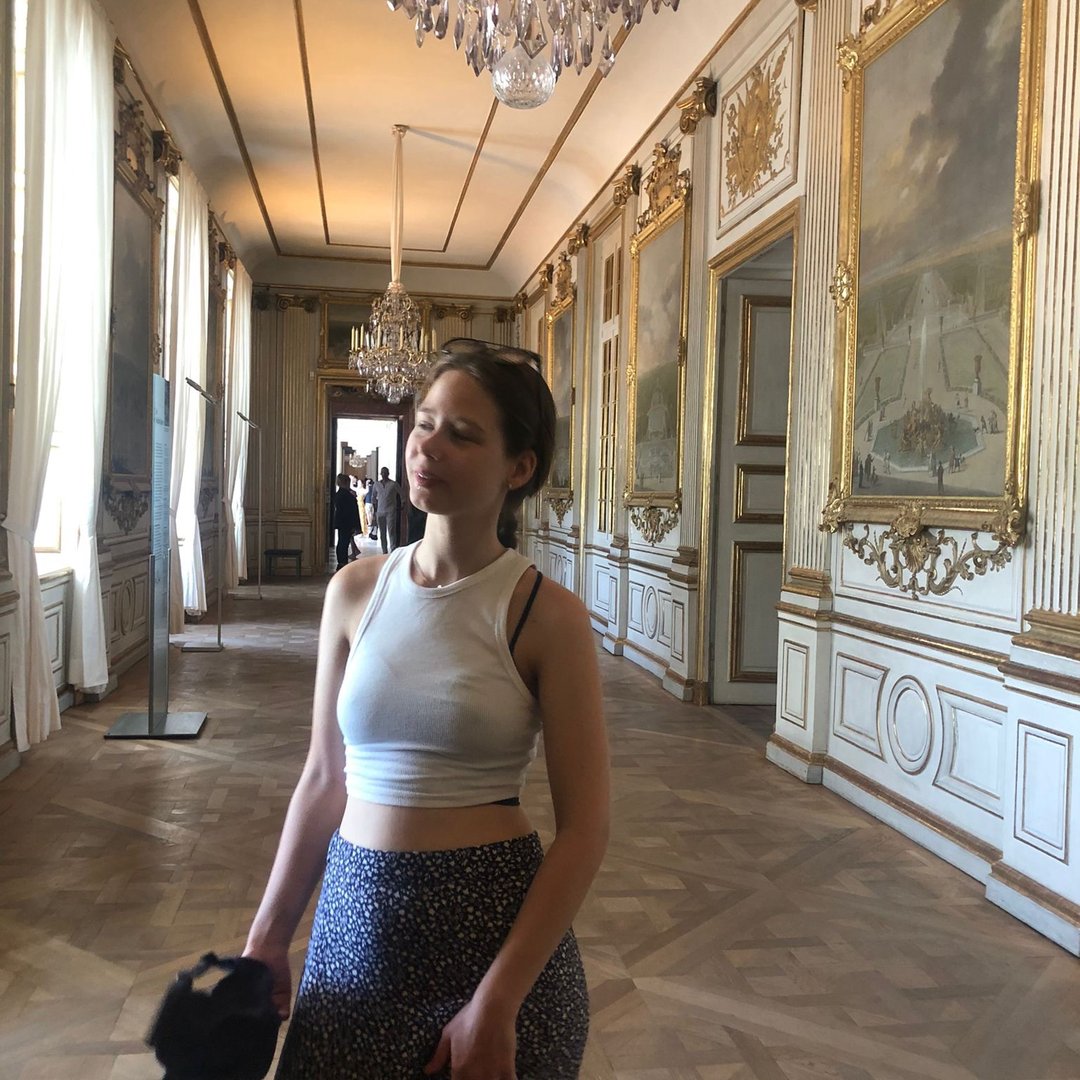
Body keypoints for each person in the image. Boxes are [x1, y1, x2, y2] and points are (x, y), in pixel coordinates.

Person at [243, 338, 609, 1079]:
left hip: (492, 935)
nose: (428, 446)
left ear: (519, 468)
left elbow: (585, 830)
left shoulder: (546, 614)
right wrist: (268, 934)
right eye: (424, 423)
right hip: (355, 931)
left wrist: (498, 1001)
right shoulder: (355, 590)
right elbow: (324, 778)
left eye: (462, 434)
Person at [331, 474, 360, 572]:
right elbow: (353, 511)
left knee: (341, 542)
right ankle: (342, 562)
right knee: (344, 543)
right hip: (347, 522)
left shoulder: (338, 494)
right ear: (346, 482)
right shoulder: (348, 496)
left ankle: (341, 562)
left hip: (341, 522)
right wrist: (356, 525)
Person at [372, 466, 404, 553]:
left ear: (388, 473)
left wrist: (402, 503)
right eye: (382, 472)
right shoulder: (376, 484)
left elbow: (401, 494)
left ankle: (393, 550)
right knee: (382, 533)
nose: (384, 474)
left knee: (391, 531)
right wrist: (374, 510)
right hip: (380, 511)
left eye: (385, 472)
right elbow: (373, 497)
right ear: (380, 474)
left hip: (391, 511)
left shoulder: (393, 484)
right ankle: (384, 551)